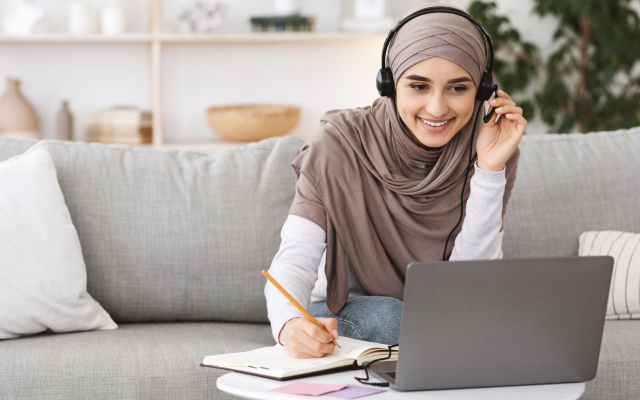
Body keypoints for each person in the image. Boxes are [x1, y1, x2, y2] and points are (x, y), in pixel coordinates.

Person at [265, 4, 527, 359]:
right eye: (419, 86)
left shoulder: (489, 147)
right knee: (393, 318)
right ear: (389, 84)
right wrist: (289, 323)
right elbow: (296, 256)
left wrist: (490, 169)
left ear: (481, 90)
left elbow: (471, 286)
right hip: (349, 314)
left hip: (440, 317)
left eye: (457, 88)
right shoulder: (338, 144)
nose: (436, 108)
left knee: (505, 324)